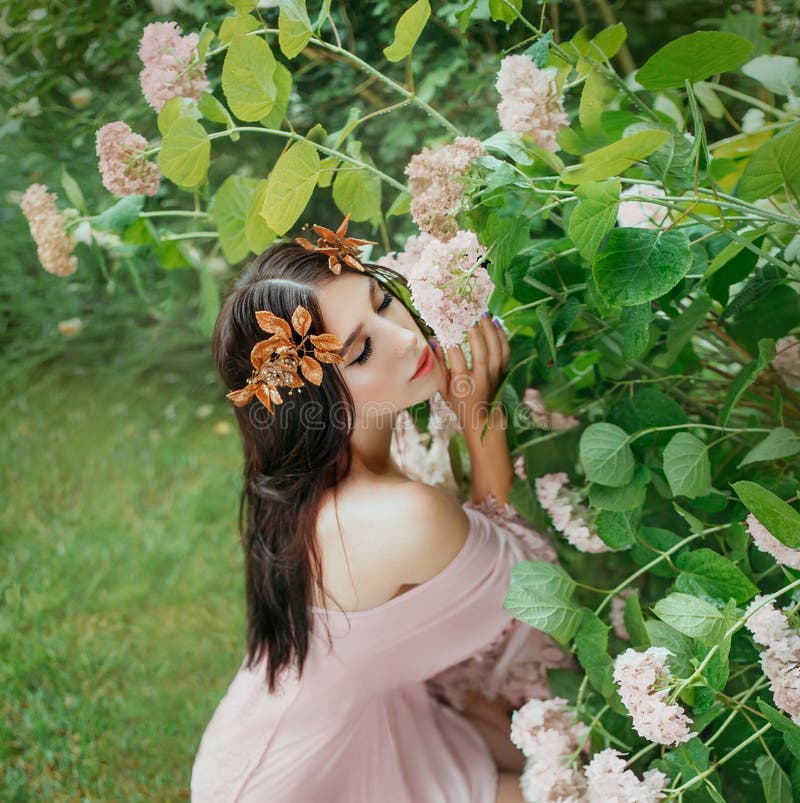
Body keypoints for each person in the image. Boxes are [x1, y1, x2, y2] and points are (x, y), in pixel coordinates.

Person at [190, 219, 573, 802]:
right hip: (298, 780)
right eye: (362, 350)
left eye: (384, 302)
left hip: (352, 721)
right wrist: (479, 423)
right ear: (307, 401)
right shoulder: (395, 515)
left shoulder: (311, 484)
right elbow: (522, 575)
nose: (407, 341)